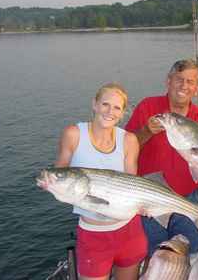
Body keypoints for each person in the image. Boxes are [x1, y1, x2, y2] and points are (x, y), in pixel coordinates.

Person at [54, 82, 146, 280]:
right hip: (93, 236)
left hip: (130, 231)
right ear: (94, 104)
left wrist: (144, 205)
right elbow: (58, 175)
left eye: (117, 107)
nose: (109, 111)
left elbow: (133, 184)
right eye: (105, 104)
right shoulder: (74, 134)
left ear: (122, 113)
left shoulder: (129, 140)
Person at [124, 59, 198, 257]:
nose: (184, 86)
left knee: (187, 257)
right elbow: (124, 148)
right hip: (150, 199)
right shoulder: (148, 107)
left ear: (197, 88)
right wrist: (146, 131)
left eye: (190, 82)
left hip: (188, 199)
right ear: (168, 81)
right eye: (179, 79)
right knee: (154, 258)